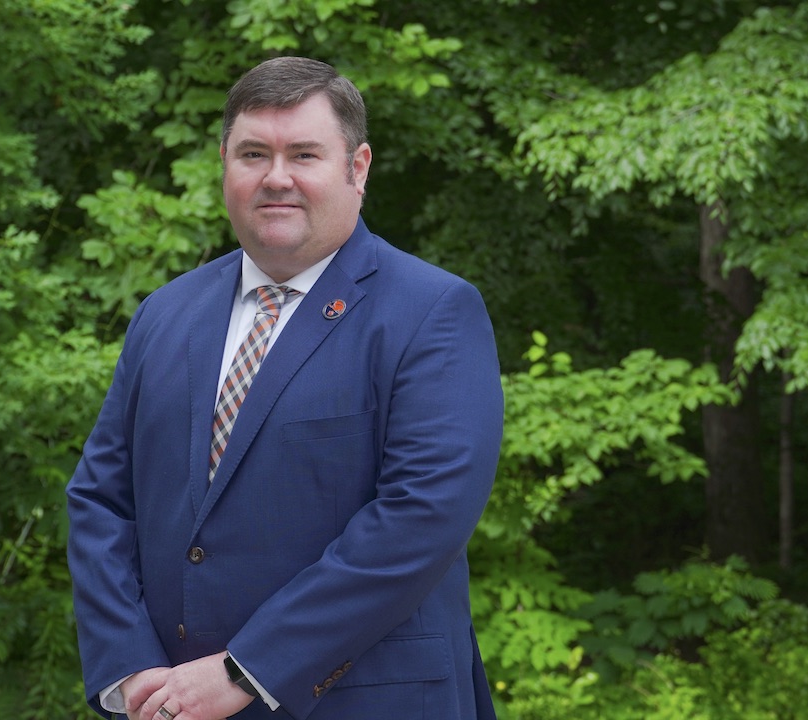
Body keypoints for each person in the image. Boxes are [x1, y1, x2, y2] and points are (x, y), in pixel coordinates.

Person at [67, 56, 504, 720]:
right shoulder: (165, 313)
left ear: (357, 169)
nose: (276, 178)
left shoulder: (430, 311)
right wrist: (130, 670)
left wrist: (249, 670)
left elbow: (420, 519)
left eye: (303, 154)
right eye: (253, 154)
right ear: (225, 164)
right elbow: (100, 501)